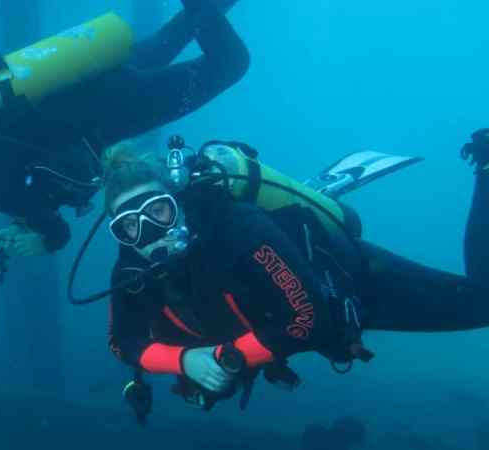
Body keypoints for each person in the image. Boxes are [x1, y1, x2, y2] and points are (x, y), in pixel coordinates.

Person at [104, 129, 489, 410]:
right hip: (264, 327)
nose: (151, 233)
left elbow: (309, 318)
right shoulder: (133, 268)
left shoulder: (237, 229)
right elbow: (124, 342)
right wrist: (186, 361)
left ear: (179, 202)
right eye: (130, 224)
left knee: (481, 303)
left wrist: (222, 359)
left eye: (158, 211)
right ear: (120, 233)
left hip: (353, 282)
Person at [0, 0, 249, 262]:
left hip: (118, 108)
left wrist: (40, 240)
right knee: (184, 27)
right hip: (95, 73)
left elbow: (55, 230)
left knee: (229, 64)